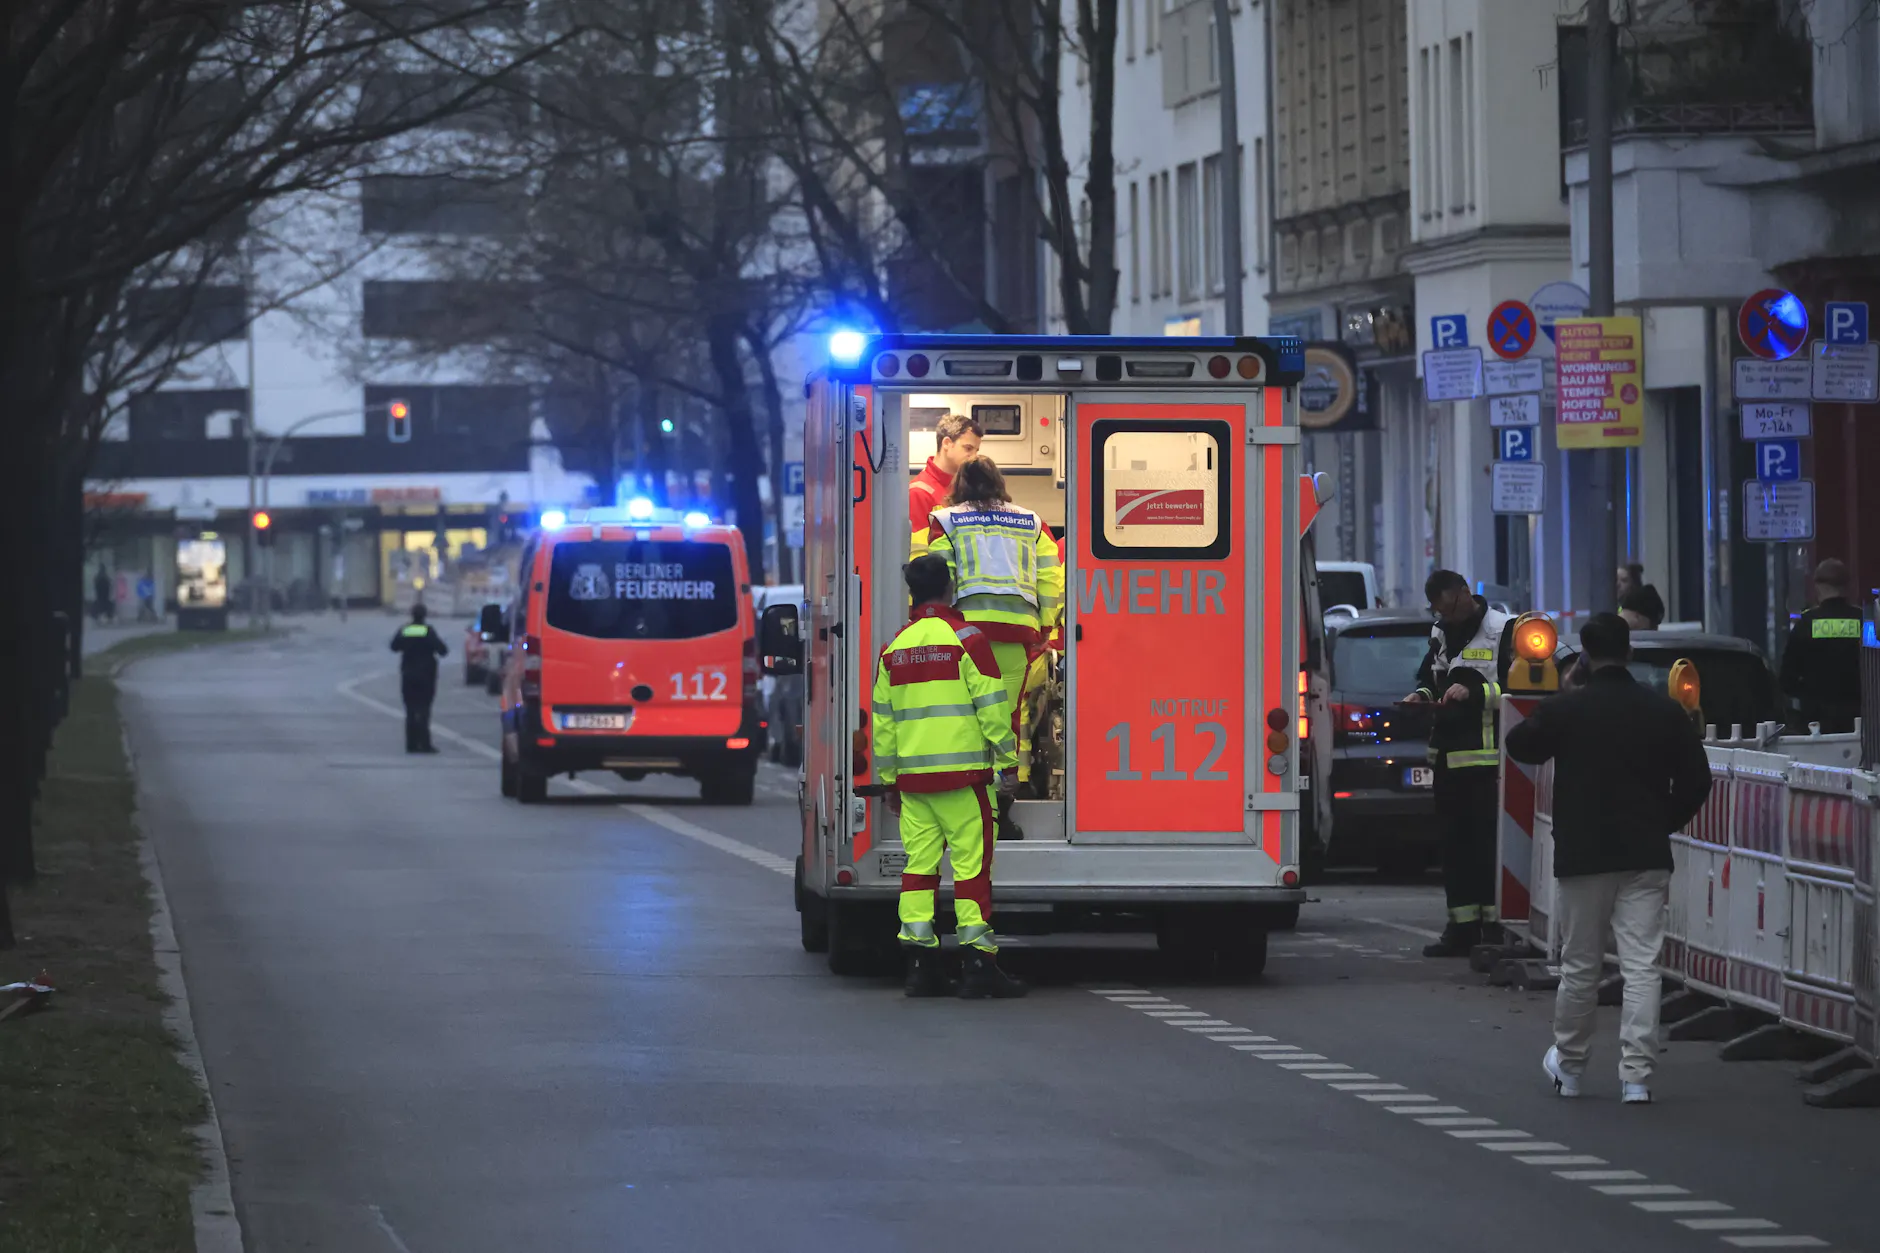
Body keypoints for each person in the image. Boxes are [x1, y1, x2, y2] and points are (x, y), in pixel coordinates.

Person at [1506, 613, 1712, 1104]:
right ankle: (1636, 1076)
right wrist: (1663, 821)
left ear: (1584, 655)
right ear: (1630, 653)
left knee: (1581, 965)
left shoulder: (1569, 709)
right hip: (1645, 853)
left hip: (1584, 854)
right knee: (1642, 966)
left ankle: (1571, 1067)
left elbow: (1520, 745)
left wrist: (1566, 691)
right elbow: (1697, 781)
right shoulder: (1663, 711)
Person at [871, 553, 1026, 999]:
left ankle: (921, 966)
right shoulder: (967, 639)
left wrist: (890, 781)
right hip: (964, 781)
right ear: (949, 589)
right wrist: (1008, 764)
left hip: (915, 785)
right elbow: (993, 708)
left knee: (918, 871)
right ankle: (978, 964)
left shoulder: (894, 648)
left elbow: (884, 723)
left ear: (912, 594)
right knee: (971, 872)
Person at [924, 455, 1063, 839]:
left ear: (959, 485)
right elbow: (1050, 578)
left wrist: (938, 626)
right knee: (1007, 718)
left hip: (964, 636)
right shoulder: (1032, 522)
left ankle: (964, 807)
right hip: (1016, 634)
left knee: (964, 717)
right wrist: (1044, 626)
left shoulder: (946, 521)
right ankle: (1001, 808)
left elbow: (939, 577)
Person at [1404, 569, 1516, 957]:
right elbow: (1430, 677)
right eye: (1438, 611)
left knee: (1488, 848)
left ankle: (1495, 928)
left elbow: (1520, 690)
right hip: (1448, 760)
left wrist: (1476, 692)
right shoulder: (1440, 632)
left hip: (1489, 762)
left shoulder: (1504, 630)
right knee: (1454, 849)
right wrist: (1420, 696)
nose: (1445, 617)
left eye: (1448, 608)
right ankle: (1461, 928)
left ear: (1465, 593)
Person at [1780, 558, 1863, 733]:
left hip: (1816, 723)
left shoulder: (1806, 624)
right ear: (1847, 587)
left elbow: (1787, 680)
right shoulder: (1863, 620)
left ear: (1817, 587)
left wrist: (1809, 694)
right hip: (1860, 721)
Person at [907, 412, 981, 557]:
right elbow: (918, 557)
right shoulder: (919, 493)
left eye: (976, 451)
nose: (974, 457)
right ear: (947, 443)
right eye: (968, 448)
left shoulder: (965, 488)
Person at [390, 603, 449, 753]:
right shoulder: (428, 631)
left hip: (408, 675)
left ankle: (411, 744)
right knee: (424, 710)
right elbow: (443, 650)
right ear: (424, 615)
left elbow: (394, 646)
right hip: (426, 676)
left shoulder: (405, 630)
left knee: (410, 710)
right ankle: (425, 744)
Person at [1616, 563, 1665, 627]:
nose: (1617, 584)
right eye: (1615, 580)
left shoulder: (1642, 603)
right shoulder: (1613, 604)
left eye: (1624, 581)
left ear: (1634, 583)